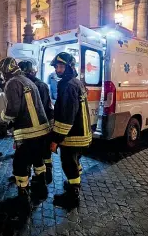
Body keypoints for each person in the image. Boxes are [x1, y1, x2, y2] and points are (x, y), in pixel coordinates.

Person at [0, 57, 49, 214]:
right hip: (42, 130)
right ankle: (41, 187)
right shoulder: (27, 80)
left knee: (19, 163)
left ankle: (23, 197)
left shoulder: (12, 83)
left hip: (27, 132)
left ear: (6, 70)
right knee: (38, 159)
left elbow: (12, 110)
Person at [49, 52, 92, 209]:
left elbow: (66, 117)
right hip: (82, 134)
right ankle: (73, 186)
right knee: (75, 163)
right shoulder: (76, 82)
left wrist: (56, 139)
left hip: (73, 136)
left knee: (68, 164)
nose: (57, 70)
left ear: (69, 67)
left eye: (60, 66)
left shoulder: (67, 85)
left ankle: (73, 197)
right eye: (56, 67)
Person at [18, 61, 54, 184]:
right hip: (43, 126)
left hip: (32, 127)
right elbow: (48, 107)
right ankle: (45, 177)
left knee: (31, 155)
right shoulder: (41, 85)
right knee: (43, 154)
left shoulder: (24, 86)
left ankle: (34, 177)